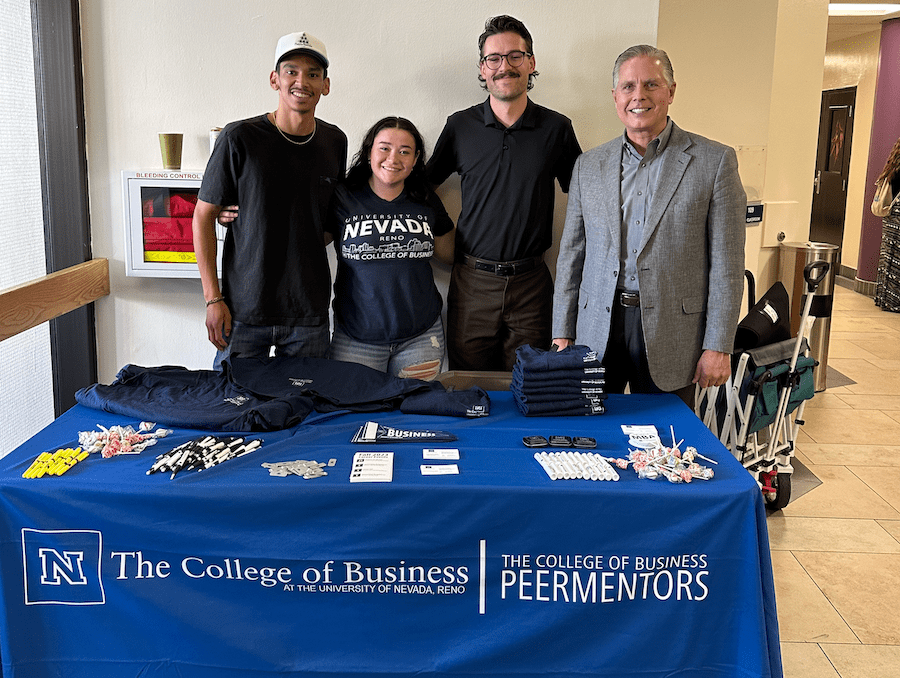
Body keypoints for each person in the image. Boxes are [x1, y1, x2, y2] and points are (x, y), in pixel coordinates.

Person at [552, 44, 746, 405]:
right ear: (615, 96)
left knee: (667, 442)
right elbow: (572, 256)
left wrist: (719, 345)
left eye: (651, 85)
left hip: (675, 333)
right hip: (598, 328)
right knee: (592, 434)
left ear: (671, 92)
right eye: (628, 86)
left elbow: (728, 265)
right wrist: (562, 331)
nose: (638, 96)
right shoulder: (589, 166)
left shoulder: (714, 161)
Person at [427, 15, 582, 372]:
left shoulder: (556, 128)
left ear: (531, 62)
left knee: (529, 387)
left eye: (515, 56)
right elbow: (423, 187)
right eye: (493, 58)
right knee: (470, 386)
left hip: (532, 284)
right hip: (471, 283)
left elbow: (584, 196)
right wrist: (444, 235)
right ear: (482, 69)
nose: (504, 67)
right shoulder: (460, 126)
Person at [192, 32, 347, 368]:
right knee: (233, 408)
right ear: (275, 79)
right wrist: (212, 299)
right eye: (291, 71)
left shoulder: (335, 141)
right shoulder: (239, 137)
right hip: (244, 310)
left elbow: (333, 216)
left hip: (308, 312)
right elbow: (203, 216)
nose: (301, 81)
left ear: (326, 85)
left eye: (313, 74)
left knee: (305, 408)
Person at [326, 117, 454, 380]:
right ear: (369, 150)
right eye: (384, 148)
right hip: (356, 337)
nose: (393, 158)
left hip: (421, 336)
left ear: (416, 158)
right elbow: (305, 241)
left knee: (414, 416)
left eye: (404, 151)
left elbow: (450, 255)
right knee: (358, 415)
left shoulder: (425, 198)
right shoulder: (343, 196)